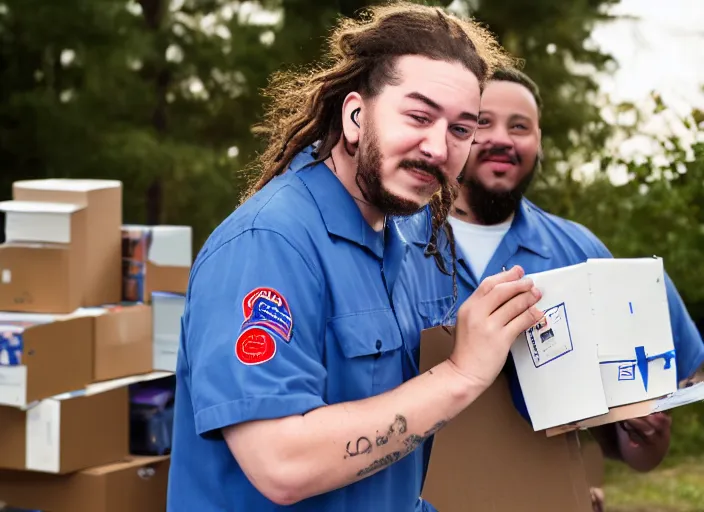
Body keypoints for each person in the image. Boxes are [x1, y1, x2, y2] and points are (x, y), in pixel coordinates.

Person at [165, 5, 546, 511]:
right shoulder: (269, 242)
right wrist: (461, 374)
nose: (438, 146)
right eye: (418, 115)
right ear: (355, 115)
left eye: (460, 129)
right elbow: (281, 464)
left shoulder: (408, 241)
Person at [396, 66, 704, 511]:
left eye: (519, 126)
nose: (502, 138)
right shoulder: (392, 244)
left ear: (538, 142)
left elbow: (637, 450)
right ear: (456, 133)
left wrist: (644, 433)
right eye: (482, 122)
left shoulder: (584, 255)